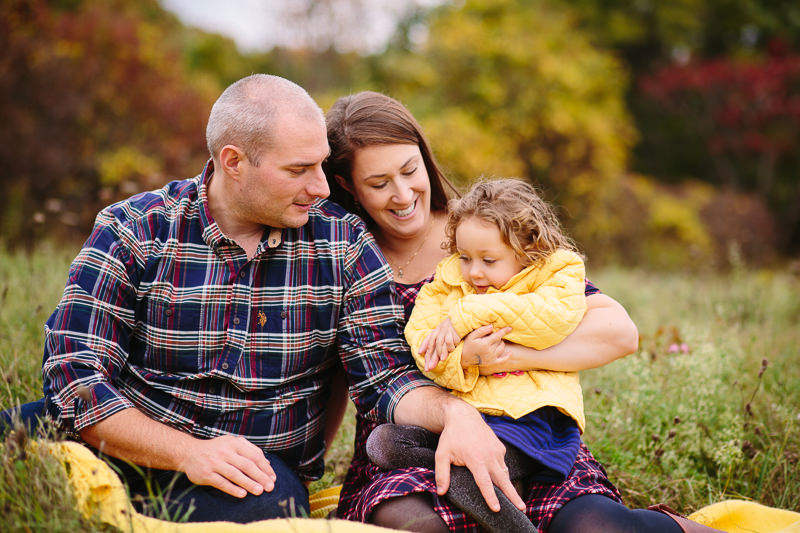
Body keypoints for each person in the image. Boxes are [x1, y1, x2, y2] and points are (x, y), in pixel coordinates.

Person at [21, 74, 527, 524]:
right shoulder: (135, 229)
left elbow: (386, 380)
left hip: (254, 472)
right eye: (298, 170)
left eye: (323, 167)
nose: (321, 188)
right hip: (126, 433)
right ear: (234, 162)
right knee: (15, 437)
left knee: (272, 515)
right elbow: (74, 374)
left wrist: (456, 415)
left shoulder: (343, 243)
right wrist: (186, 453)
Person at [324, 90, 722, 533]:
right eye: (379, 184)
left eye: (410, 170)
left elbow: (617, 332)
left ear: (424, 155)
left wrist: (505, 356)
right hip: (412, 442)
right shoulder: (346, 255)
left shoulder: (485, 229)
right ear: (346, 185)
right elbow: (342, 378)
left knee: (598, 529)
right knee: (416, 527)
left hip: (527, 427)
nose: (402, 194)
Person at [367, 178, 590, 533]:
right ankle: (465, 458)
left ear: (526, 247)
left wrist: (468, 315)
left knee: (463, 476)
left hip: (532, 418)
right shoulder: (447, 280)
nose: (473, 272)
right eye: (465, 257)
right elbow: (424, 346)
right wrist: (464, 358)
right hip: (473, 418)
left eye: (489, 260)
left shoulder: (556, 271)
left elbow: (554, 321)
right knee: (383, 442)